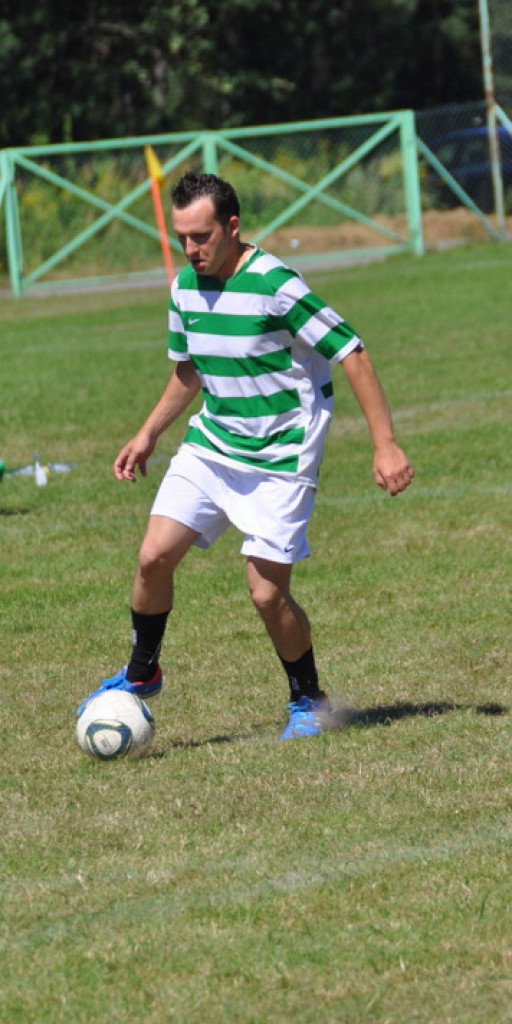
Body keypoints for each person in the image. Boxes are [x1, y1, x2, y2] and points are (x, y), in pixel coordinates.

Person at [77, 171, 414, 738]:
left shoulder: (276, 284)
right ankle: (142, 672)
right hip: (214, 443)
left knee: (265, 592)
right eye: (182, 238)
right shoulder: (185, 287)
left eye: (202, 236)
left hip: (282, 455)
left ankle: (308, 698)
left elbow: (351, 351)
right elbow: (190, 369)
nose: (191, 249)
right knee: (153, 556)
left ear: (232, 226)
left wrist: (385, 444)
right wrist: (148, 433)